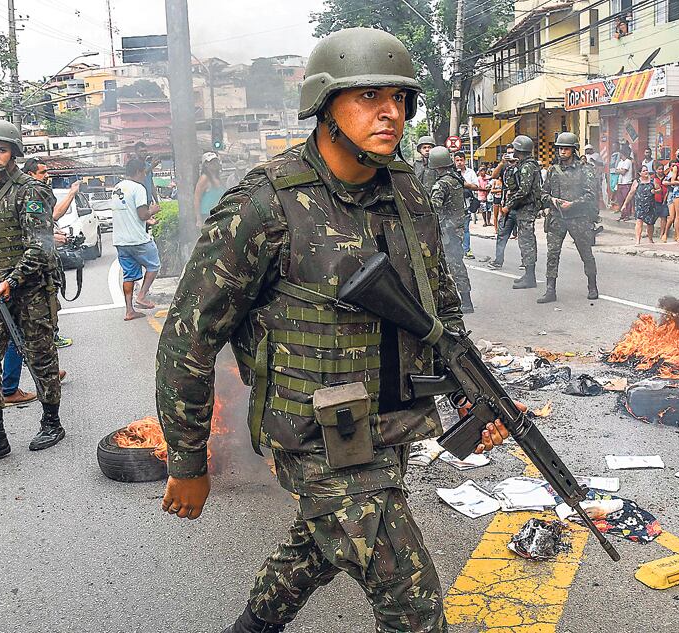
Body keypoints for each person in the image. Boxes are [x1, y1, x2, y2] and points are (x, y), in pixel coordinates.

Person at [155, 28, 509, 633]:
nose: (391, 112)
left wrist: (474, 392)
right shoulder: (267, 202)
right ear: (324, 106)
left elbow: (440, 310)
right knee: (412, 601)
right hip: (314, 435)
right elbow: (189, 337)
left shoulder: (408, 194)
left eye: (399, 98)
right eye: (369, 96)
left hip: (388, 424)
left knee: (317, 546)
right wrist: (188, 459)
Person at [0, 120, 64, 468]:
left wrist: (14, 280)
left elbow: (41, 247)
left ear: (13, 153)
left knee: (41, 356)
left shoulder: (30, 191)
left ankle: (52, 422)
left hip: (30, 289)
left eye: (1, 150)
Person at [537, 131, 598, 303]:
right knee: (552, 254)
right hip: (557, 217)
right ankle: (550, 290)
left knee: (586, 252)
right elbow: (543, 193)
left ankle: (592, 286)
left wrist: (573, 204)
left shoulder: (585, 169)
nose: (562, 151)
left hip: (578, 217)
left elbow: (590, 195)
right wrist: (552, 200)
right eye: (560, 148)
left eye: (566, 148)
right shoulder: (552, 170)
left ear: (573, 150)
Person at [22, 157, 77, 348]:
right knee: (42, 305)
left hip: (46, 260)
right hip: (35, 262)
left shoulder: (37, 192)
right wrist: (71, 194)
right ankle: (47, 339)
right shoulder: (30, 193)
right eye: (43, 172)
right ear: (31, 174)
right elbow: (51, 217)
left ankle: (51, 336)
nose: (47, 175)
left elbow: (46, 221)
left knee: (51, 299)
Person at [112, 158, 161, 321]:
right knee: (154, 265)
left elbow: (129, 214)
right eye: (144, 172)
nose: (145, 175)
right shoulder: (138, 188)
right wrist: (152, 211)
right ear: (139, 171)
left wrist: (147, 221)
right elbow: (142, 214)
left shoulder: (117, 188)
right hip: (138, 240)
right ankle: (141, 296)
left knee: (128, 276)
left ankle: (129, 310)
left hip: (120, 241)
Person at [429, 146, 473, 312]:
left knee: (452, 265)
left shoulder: (441, 184)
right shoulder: (456, 179)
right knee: (455, 263)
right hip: (457, 229)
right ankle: (462, 300)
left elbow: (434, 208)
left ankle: (464, 302)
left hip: (446, 231)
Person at [503, 135, 541, 289]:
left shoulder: (527, 167)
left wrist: (508, 205)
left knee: (526, 242)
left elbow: (523, 191)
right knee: (524, 241)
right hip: (524, 208)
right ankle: (528, 274)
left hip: (527, 208)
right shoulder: (523, 165)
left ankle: (530, 277)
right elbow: (512, 184)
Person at [620, 164, 658, 245]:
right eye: (644, 171)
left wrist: (655, 191)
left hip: (650, 205)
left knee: (650, 223)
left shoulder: (652, 181)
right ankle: (638, 240)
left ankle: (650, 239)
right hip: (640, 205)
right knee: (639, 221)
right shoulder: (637, 182)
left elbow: (659, 189)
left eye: (646, 170)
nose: (646, 172)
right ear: (640, 173)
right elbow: (631, 193)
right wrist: (625, 204)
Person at [453, 151, 480, 259]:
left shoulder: (470, 172)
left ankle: (466, 250)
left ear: (465, 161)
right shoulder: (451, 173)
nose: (459, 162)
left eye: (461, 160)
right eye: (457, 160)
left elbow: (476, 186)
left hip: (466, 206)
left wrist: (465, 185)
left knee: (465, 229)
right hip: (453, 206)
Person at [664, 148, 679, 242]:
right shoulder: (676, 167)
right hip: (678, 190)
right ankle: (677, 235)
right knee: (678, 214)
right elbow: (673, 181)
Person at [195, 152, 225, 226]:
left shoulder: (218, 178)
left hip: (219, 214)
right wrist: (198, 219)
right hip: (207, 215)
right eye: (211, 162)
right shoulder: (204, 178)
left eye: (215, 161)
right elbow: (197, 198)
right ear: (205, 164)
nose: (214, 164)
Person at [615, 147, 634, 220]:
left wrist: (620, 170)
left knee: (627, 199)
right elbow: (616, 171)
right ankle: (623, 214)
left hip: (626, 183)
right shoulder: (620, 162)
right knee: (620, 199)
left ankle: (627, 215)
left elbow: (623, 172)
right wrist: (620, 170)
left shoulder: (628, 161)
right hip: (620, 183)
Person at [652, 162, 670, 240]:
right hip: (655, 200)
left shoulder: (666, 178)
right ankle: (650, 231)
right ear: (655, 170)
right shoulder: (653, 178)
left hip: (665, 200)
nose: (661, 171)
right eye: (659, 169)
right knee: (653, 217)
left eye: (662, 169)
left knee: (663, 217)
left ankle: (662, 233)